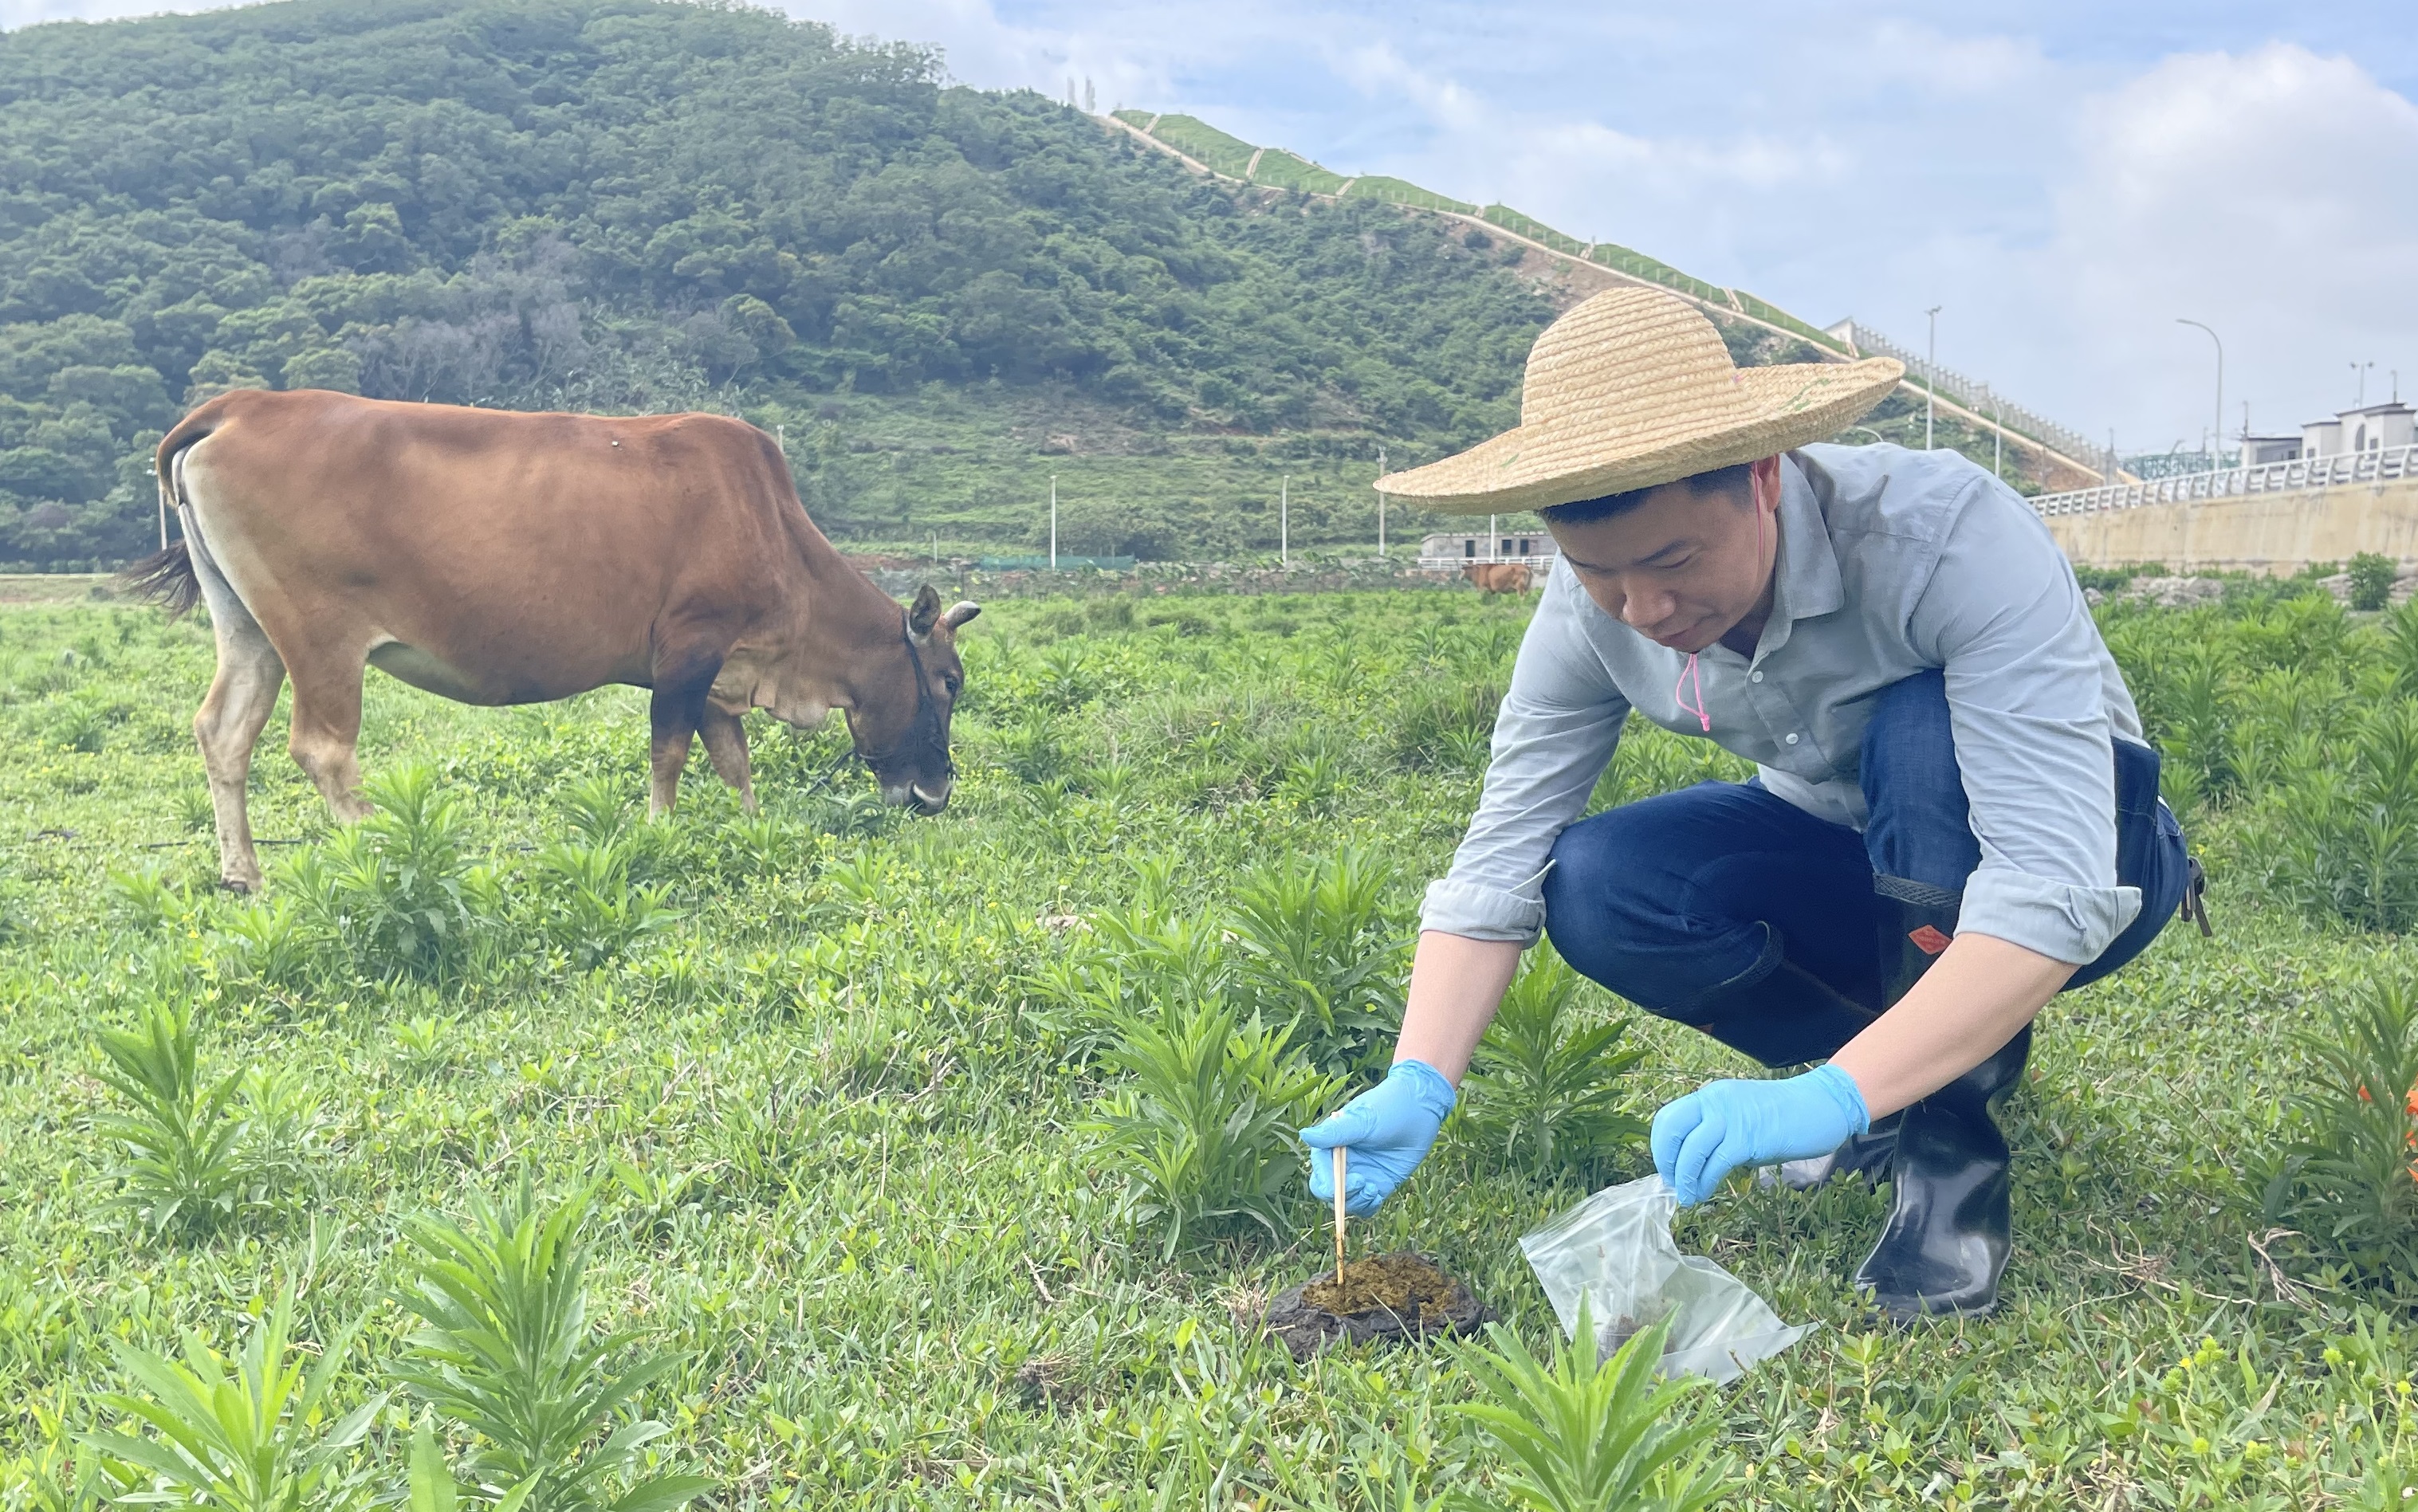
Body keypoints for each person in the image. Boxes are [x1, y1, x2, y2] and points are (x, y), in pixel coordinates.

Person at [1302, 287, 2204, 1319]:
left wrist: (1831, 1094)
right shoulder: (1596, 608)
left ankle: (1945, 1158)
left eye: (1674, 561)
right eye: (1599, 573)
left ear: (1763, 478)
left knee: (1918, 730)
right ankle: (1891, 1072)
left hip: (2098, 856)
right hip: (1857, 857)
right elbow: (1503, 849)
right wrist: (1420, 1077)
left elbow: (2051, 887)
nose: (1644, 609)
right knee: (1598, 882)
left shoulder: (1943, 537)